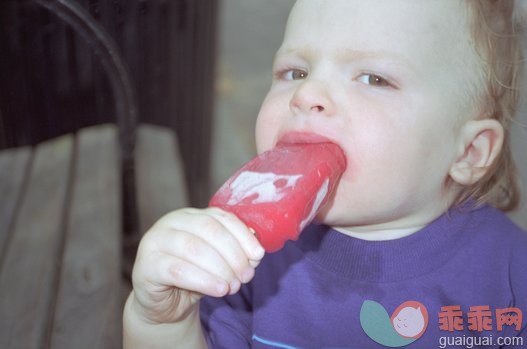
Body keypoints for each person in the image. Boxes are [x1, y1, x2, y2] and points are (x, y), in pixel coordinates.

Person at [123, 1, 527, 347]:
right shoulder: (246, 257)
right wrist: (163, 325)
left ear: (470, 152)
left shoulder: (510, 279)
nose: (307, 95)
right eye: (296, 72)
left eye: (373, 79)